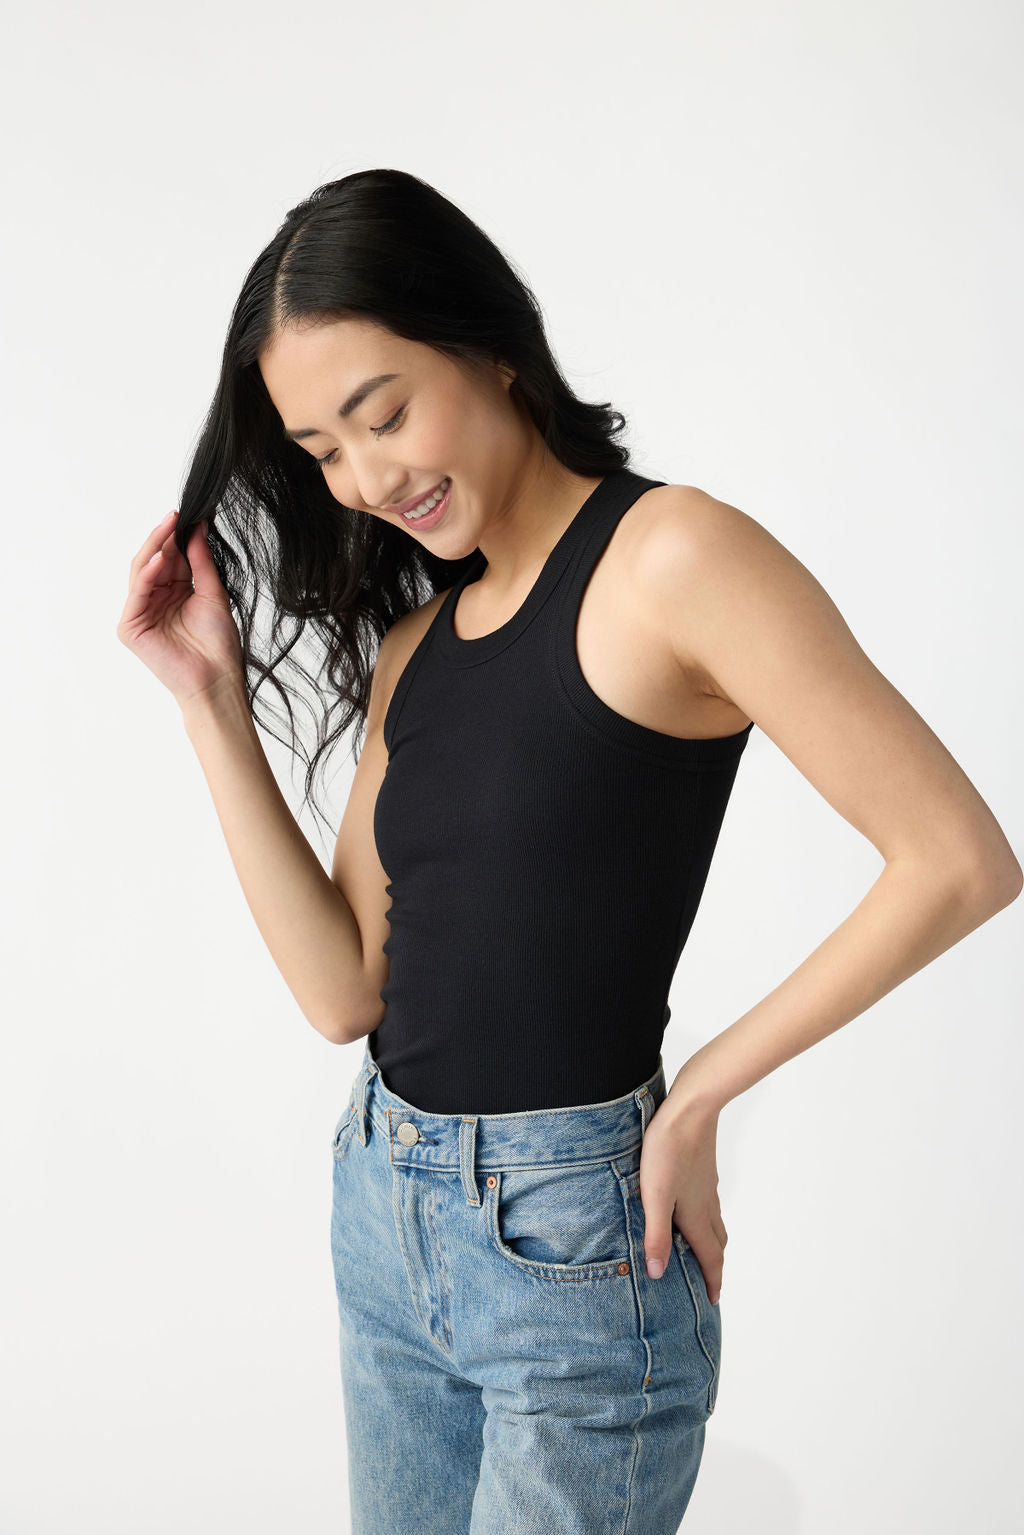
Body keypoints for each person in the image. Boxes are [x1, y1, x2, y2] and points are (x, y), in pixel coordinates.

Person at [116, 168, 1021, 1532]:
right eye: (320, 451)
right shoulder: (415, 655)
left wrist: (700, 1092)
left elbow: (958, 858)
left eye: (385, 414)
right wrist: (206, 703)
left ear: (489, 343)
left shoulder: (674, 558)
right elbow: (343, 992)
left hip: (575, 1255)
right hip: (382, 1214)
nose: (366, 478)